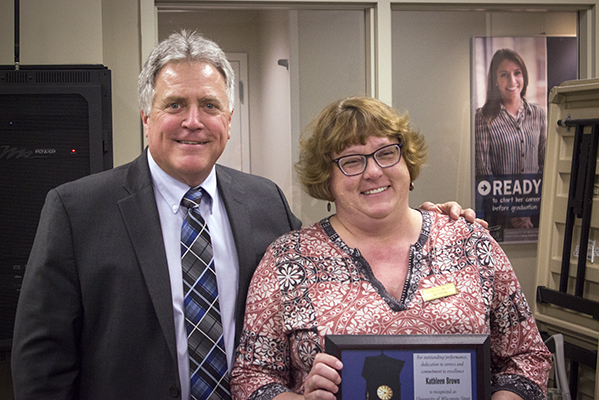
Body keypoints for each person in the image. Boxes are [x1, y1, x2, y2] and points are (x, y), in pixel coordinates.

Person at [10, 32, 473, 400]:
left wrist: (426, 224)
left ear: (228, 120)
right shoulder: (77, 210)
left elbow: (344, 248)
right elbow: (41, 360)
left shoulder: (263, 201)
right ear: (147, 118)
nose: (193, 120)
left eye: (209, 105)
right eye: (175, 105)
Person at [230, 96, 551, 400]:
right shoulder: (288, 260)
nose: (373, 172)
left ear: (407, 162)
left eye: (386, 154)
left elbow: (528, 356)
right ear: (326, 180)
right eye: (351, 161)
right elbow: (252, 379)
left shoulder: (471, 244)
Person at [475, 48, 547, 230]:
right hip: (499, 215)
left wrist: (528, 209)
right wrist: (514, 212)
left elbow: (545, 166)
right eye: (504, 75)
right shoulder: (483, 118)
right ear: (495, 81)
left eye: (517, 73)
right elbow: (484, 172)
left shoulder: (538, 114)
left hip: (535, 215)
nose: (512, 81)